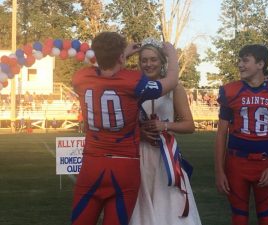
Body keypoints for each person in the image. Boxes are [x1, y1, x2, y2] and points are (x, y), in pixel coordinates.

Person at [71, 32, 179, 225]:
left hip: (92, 162)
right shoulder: (133, 81)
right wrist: (172, 55)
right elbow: (171, 81)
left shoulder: (80, 77)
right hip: (124, 165)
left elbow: (101, 69)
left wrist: (119, 55)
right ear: (120, 57)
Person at [215, 44, 268, 225]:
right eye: (240, 60)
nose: (240, 64)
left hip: (265, 163)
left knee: (267, 217)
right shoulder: (230, 91)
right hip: (236, 163)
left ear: (260, 64)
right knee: (239, 217)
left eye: (245, 60)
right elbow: (221, 134)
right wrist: (219, 170)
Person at [129, 38, 202, 225]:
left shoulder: (175, 88)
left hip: (167, 158)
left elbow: (189, 125)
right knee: (141, 207)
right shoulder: (132, 88)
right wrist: (140, 133)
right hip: (140, 155)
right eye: (144, 60)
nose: (148, 64)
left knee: (170, 205)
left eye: (153, 59)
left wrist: (165, 126)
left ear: (162, 61)